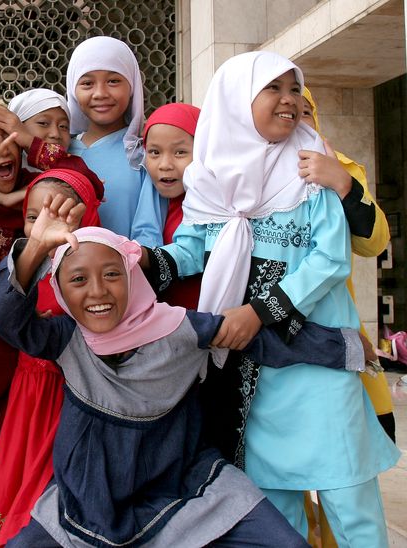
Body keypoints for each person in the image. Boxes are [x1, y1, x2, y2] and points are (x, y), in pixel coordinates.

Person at [0, 199, 366, 548]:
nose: (97, 291)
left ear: (132, 277)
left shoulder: (181, 329)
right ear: (62, 291)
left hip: (183, 488)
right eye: (78, 280)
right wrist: (36, 247)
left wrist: (348, 347)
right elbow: (1, 317)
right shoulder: (68, 340)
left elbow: (261, 341)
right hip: (87, 501)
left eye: (112, 274)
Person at [144, 51, 400, 545]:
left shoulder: (313, 173)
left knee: (350, 498)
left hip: (316, 363)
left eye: (294, 89)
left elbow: (330, 261)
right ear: (238, 101)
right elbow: (196, 245)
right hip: (251, 375)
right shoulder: (211, 177)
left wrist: (259, 312)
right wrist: (138, 264)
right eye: (273, 89)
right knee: (273, 510)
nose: (289, 101)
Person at [0, 158, 103, 548]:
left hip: (69, 398)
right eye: (32, 215)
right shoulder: (24, 263)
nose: (43, 225)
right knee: (14, 477)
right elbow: (4, 314)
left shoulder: (97, 268)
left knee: (50, 490)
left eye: (63, 213)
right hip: (29, 395)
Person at [299, 87, 396, 548]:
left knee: (349, 486)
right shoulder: (242, 171)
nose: (295, 118)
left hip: (339, 350)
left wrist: (341, 181)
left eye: (304, 111)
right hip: (272, 355)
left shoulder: (341, 165)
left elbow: (374, 243)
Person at [65, 36, 164, 244]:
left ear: (132, 87)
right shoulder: (60, 152)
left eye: (113, 81)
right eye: (87, 83)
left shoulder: (145, 155)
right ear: (73, 90)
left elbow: (149, 236)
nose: (100, 93)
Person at [142, 102, 201, 309]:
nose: (165, 164)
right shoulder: (152, 204)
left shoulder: (215, 207)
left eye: (180, 153)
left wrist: (141, 255)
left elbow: (192, 253)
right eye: (154, 152)